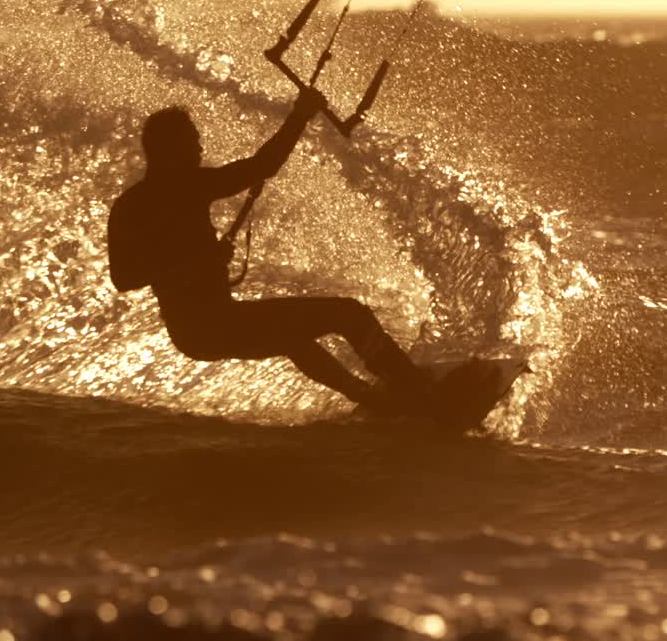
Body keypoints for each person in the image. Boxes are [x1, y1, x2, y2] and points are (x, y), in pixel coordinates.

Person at [107, 87, 438, 418]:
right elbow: (123, 278)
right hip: (205, 326)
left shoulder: (184, 187)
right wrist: (299, 115)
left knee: (291, 338)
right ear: (172, 150)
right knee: (348, 314)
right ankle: (415, 387)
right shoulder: (143, 203)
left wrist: (299, 117)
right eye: (193, 142)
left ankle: (373, 399)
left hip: (206, 328)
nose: (200, 148)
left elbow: (262, 166)